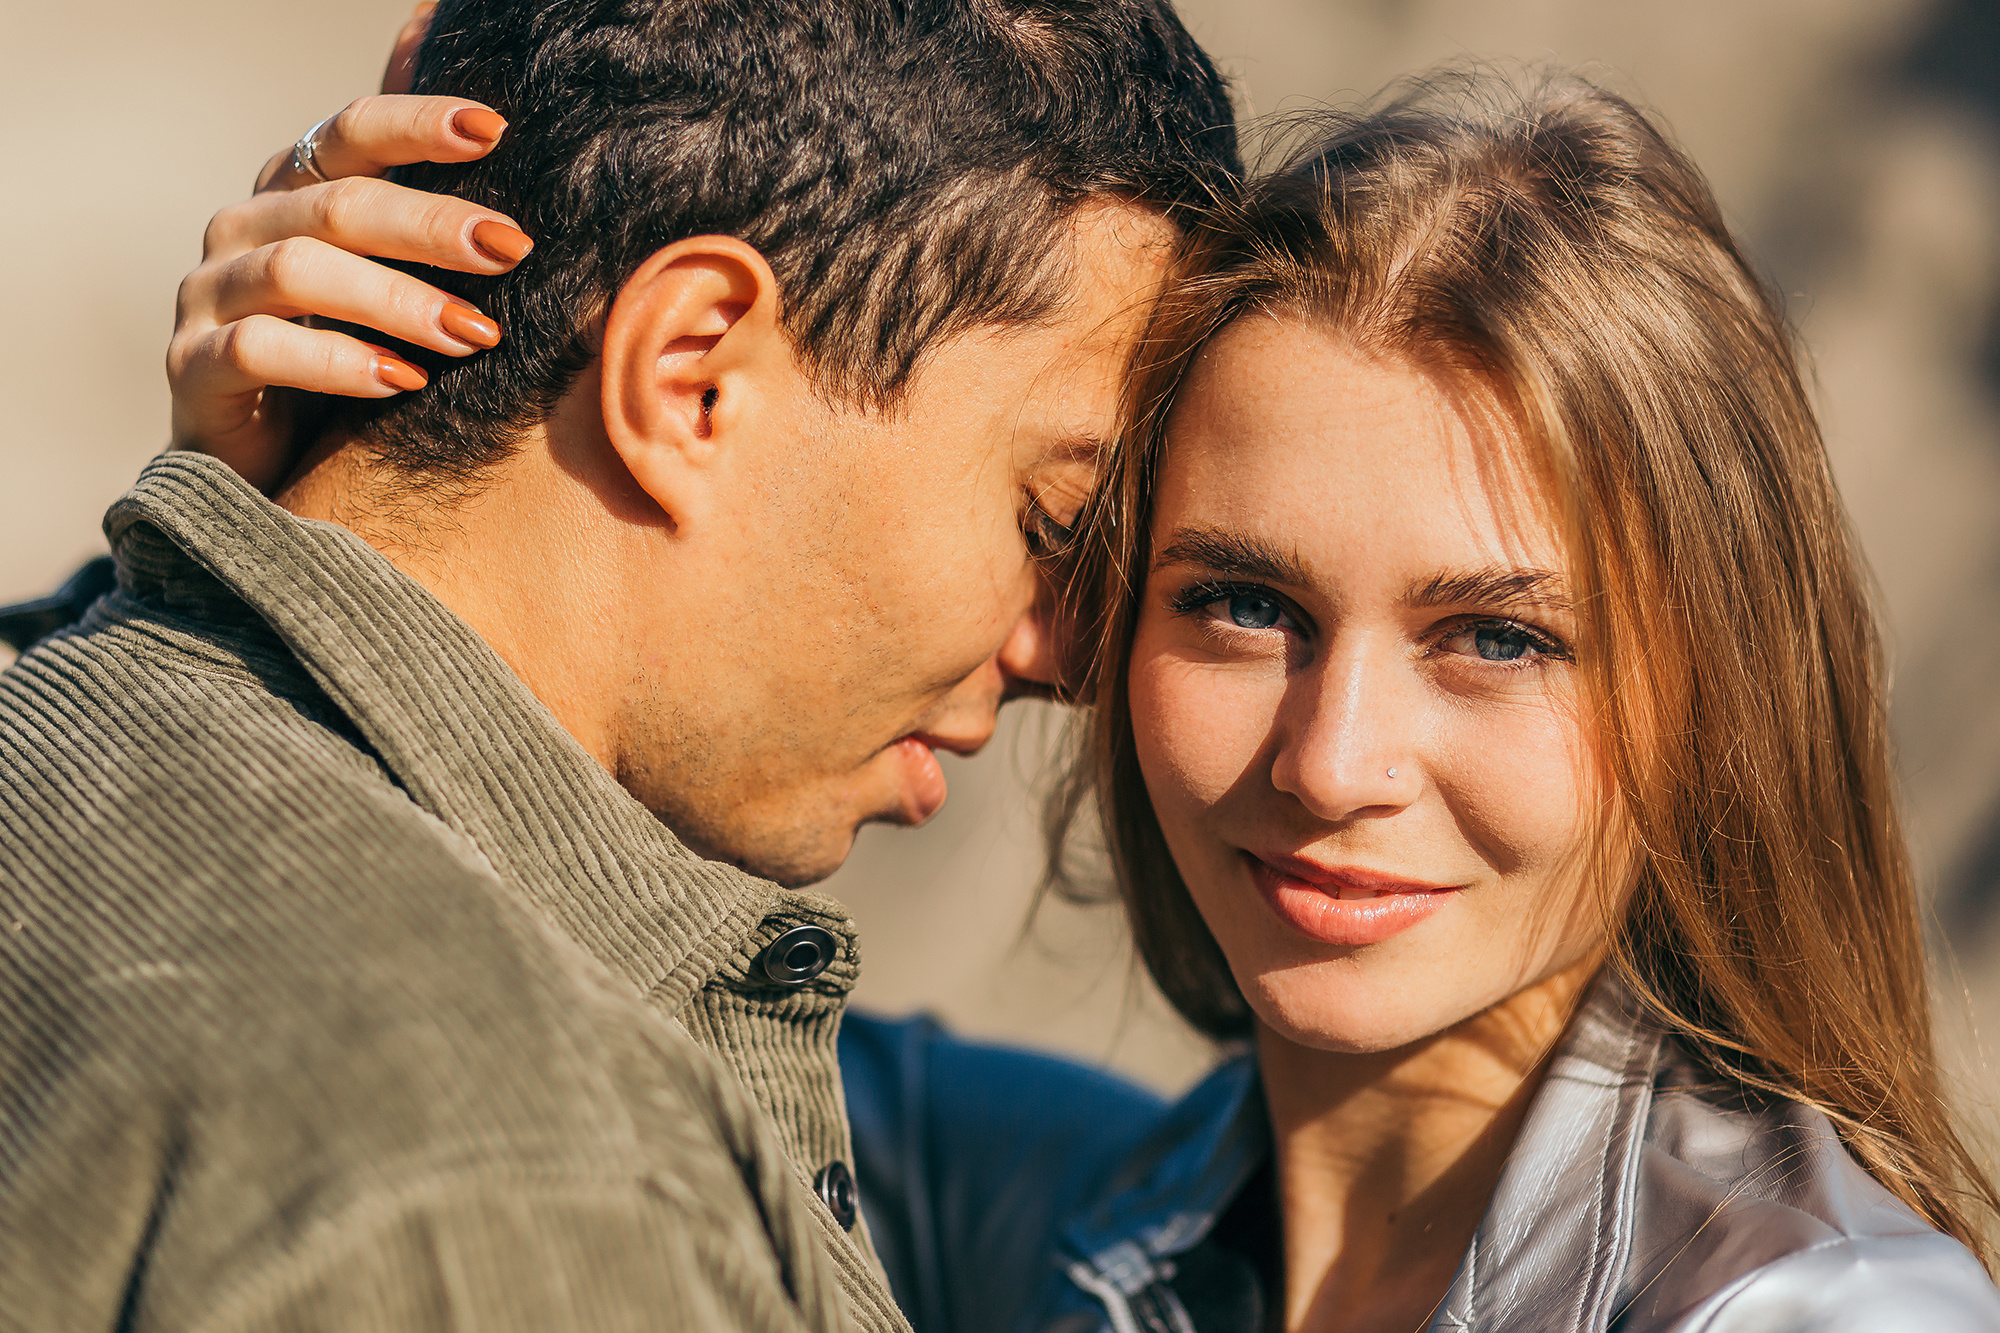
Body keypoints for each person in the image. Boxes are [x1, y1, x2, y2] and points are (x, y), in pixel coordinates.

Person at [163, 67, 2000, 1333]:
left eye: (1497, 637)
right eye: (1241, 603)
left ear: (1719, 686)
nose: (1333, 759)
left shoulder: (1811, 1311)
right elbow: (541, 954)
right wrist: (354, 487)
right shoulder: (1060, 1212)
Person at [0, 2, 1238, 1329]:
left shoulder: (63, 715)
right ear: (692, 371)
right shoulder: (536, 1190)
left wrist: (227, 539)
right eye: (1056, 524)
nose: (1080, 657)